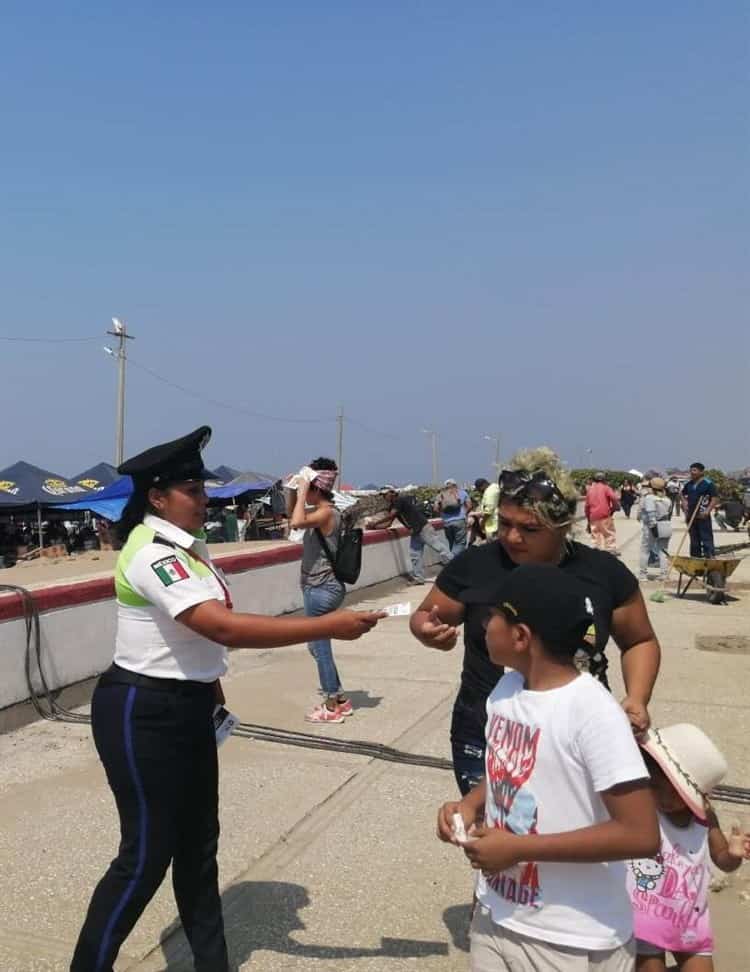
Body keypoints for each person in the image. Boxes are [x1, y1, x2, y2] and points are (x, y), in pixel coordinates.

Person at [71, 427, 384, 972]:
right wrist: (328, 623)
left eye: (202, 487)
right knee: (144, 857)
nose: (204, 499)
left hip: (188, 707)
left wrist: (213, 697)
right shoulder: (151, 553)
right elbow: (221, 627)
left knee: (198, 851)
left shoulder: (189, 550)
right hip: (140, 710)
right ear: (158, 497)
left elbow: (197, 646)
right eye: (192, 490)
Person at [437, 565, 659, 972]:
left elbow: (641, 833)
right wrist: (470, 803)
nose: (483, 625)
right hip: (498, 914)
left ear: (521, 637)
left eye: (493, 617)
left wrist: (519, 849)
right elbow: (509, 770)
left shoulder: (592, 712)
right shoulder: (506, 691)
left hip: (569, 939)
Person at [410, 447, 662, 796]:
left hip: (578, 734)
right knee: (493, 838)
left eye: (530, 528)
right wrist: (427, 629)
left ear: (562, 526)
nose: (512, 537)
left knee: (570, 843)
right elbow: (427, 613)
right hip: (484, 730)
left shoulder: (604, 574)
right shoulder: (474, 565)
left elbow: (639, 641)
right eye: (505, 523)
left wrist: (637, 697)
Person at [627, 724, 750, 971]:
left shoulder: (705, 817)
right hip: (644, 916)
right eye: (659, 789)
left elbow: (722, 858)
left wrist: (735, 855)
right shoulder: (644, 809)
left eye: (678, 794)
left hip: (690, 918)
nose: (666, 800)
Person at [289, 457, 353, 725]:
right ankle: (340, 699)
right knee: (316, 647)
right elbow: (292, 514)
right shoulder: (326, 510)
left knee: (320, 647)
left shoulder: (326, 513)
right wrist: (293, 489)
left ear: (317, 488)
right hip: (321, 587)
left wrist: (303, 489)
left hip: (321, 588)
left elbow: (295, 523)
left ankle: (330, 705)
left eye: (309, 487)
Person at [368, 486, 451, 585]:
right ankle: (419, 578)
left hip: (423, 529)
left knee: (440, 548)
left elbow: (390, 516)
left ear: (392, 493)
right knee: (415, 555)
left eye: (385, 495)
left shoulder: (399, 501)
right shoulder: (393, 505)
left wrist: (375, 523)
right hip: (416, 531)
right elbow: (389, 523)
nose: (384, 497)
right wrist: (374, 527)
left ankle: (459, 566)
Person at [638, 478, 672, 583]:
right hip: (666, 525)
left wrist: (654, 530)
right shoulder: (667, 499)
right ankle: (664, 574)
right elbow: (669, 513)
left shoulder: (649, 498)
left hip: (652, 527)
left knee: (645, 550)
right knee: (663, 551)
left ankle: (643, 574)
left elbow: (651, 515)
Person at [681, 463, 718, 558]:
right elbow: (682, 494)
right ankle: (695, 557)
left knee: (706, 537)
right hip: (691, 515)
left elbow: (714, 499)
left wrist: (708, 510)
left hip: (702, 515)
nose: (692, 473)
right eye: (691, 470)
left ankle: (709, 556)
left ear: (701, 472)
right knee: (694, 539)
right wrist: (684, 503)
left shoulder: (708, 484)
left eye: (694, 470)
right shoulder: (689, 484)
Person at [585, 472, 620, 554]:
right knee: (608, 533)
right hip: (605, 515)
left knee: (595, 535)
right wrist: (615, 507)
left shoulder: (590, 490)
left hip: (593, 516)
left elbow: (587, 506)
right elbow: (614, 498)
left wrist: (588, 519)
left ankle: (596, 551)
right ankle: (611, 550)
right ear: (604, 480)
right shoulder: (606, 488)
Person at [435, 478, 471, 555]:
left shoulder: (440, 495)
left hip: (447, 523)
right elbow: (469, 505)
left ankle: (456, 563)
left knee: (452, 543)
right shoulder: (462, 493)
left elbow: (435, 509)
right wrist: (464, 513)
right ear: (455, 485)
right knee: (460, 543)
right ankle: (452, 558)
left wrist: (443, 515)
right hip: (459, 521)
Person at [467, 478, 489, 546]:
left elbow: (485, 513)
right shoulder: (476, 507)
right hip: (480, 529)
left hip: (486, 527)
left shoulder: (486, 499)